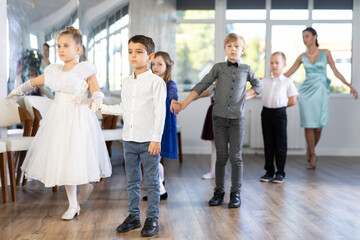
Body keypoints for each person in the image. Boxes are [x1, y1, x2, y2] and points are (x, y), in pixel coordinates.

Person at [6, 26, 112, 220]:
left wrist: (96, 98)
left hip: (79, 117)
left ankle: (86, 183)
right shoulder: (54, 71)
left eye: (66, 45)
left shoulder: (85, 69)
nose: (61, 50)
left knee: (78, 155)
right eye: (58, 46)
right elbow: (34, 82)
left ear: (78, 49)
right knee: (63, 159)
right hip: (59, 118)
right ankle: (73, 205)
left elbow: (96, 90)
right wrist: (16, 92)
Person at [171, 33, 262, 208]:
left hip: (237, 120)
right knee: (221, 156)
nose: (233, 49)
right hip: (219, 119)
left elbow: (258, 85)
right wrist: (184, 103)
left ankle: (235, 193)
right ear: (224, 49)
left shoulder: (247, 69)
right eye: (229, 46)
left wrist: (245, 97)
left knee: (236, 157)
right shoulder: (218, 68)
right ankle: (218, 192)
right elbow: (201, 85)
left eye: (236, 46)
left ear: (242, 50)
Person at [93, 35, 166, 237]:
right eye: (130, 51)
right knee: (132, 181)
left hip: (148, 141)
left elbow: (160, 113)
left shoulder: (156, 83)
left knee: (151, 182)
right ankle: (134, 217)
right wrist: (103, 107)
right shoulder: (126, 82)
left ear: (150, 56)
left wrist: (156, 139)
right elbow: (124, 108)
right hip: (129, 139)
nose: (133, 56)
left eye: (139, 51)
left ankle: (152, 218)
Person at [284, 27, 358, 169]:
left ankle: (310, 150)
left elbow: (336, 72)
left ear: (314, 37)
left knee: (318, 127)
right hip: (306, 93)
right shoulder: (302, 57)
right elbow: (288, 73)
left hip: (321, 92)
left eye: (307, 36)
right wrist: (270, 78)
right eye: (303, 37)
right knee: (308, 125)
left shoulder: (326, 53)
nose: (304, 39)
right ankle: (312, 155)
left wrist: (350, 86)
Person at [142, 51, 179, 201]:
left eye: (160, 64)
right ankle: (160, 182)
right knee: (154, 159)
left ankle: (160, 191)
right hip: (150, 123)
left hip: (163, 124)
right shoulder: (150, 82)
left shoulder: (169, 84)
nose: (155, 67)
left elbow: (172, 96)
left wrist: (173, 103)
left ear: (167, 66)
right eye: (153, 64)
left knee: (152, 159)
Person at [260, 52, 298, 184]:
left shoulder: (288, 82)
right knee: (268, 143)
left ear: (284, 64)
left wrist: (280, 107)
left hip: (279, 114)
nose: (274, 65)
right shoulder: (264, 81)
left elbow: (293, 100)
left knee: (280, 144)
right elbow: (255, 91)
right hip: (266, 113)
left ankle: (280, 172)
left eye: (277, 63)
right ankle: (269, 171)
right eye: (272, 63)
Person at [199, 83, 216, 180]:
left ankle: (219, 171)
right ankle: (213, 171)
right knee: (214, 146)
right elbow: (200, 94)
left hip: (227, 115)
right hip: (213, 114)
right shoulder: (213, 86)